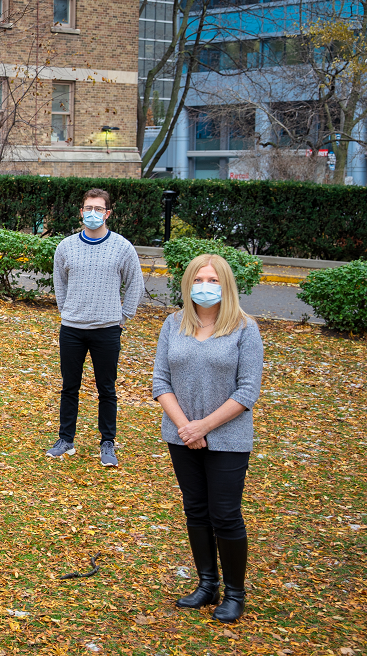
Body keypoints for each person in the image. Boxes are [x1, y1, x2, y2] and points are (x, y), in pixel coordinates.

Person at [153, 254, 262, 623]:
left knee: (225, 514)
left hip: (228, 438)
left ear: (226, 285)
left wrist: (203, 427)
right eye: (199, 279)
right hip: (180, 434)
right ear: (187, 284)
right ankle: (206, 584)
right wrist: (186, 426)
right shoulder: (173, 324)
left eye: (213, 280)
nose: (205, 285)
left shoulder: (245, 328)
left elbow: (247, 391)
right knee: (195, 509)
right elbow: (160, 381)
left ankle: (234, 593)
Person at [47, 188, 145, 467]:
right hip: (72, 329)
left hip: (107, 329)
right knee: (70, 387)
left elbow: (135, 283)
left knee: (107, 388)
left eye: (98, 209)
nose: (93, 214)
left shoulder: (122, 247)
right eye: (88, 208)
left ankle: (107, 443)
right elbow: (60, 283)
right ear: (81, 212)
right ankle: (66, 439)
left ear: (108, 213)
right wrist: (66, 311)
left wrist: (123, 316)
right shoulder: (66, 246)